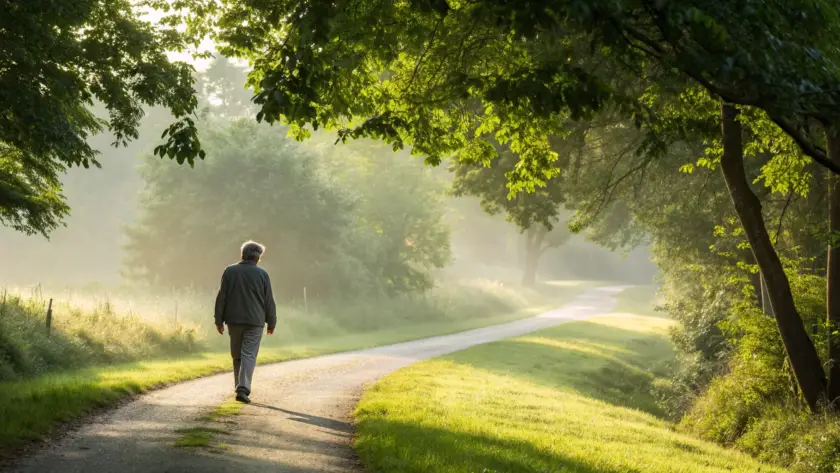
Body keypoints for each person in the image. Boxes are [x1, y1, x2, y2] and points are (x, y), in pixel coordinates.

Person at [214, 240, 277, 403]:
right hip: (255, 321)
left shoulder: (230, 271)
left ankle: (240, 387)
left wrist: (218, 320)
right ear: (258, 258)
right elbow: (269, 300)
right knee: (248, 354)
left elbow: (221, 297)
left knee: (237, 355)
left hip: (234, 320)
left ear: (242, 254)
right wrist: (271, 322)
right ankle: (242, 388)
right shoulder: (262, 274)